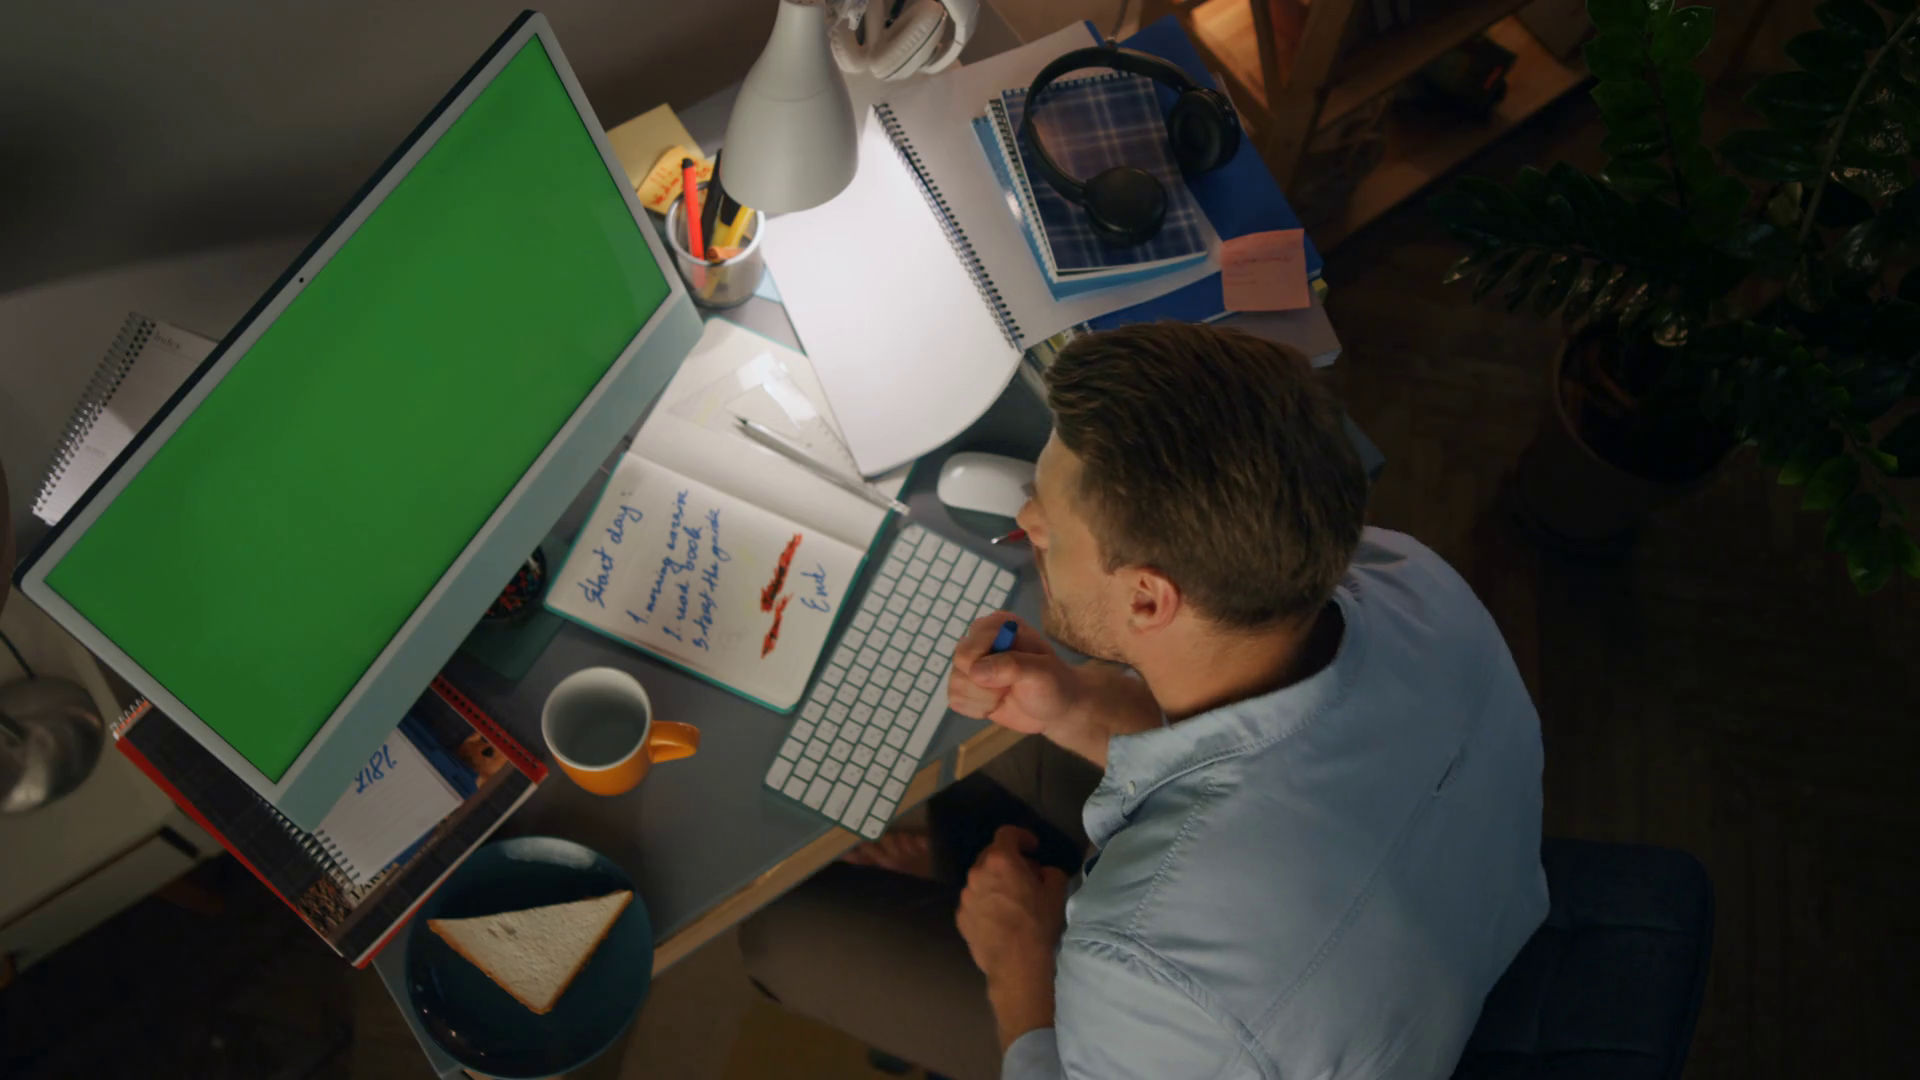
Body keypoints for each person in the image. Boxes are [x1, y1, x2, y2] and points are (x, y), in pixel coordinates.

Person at [742, 323, 1548, 1079]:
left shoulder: (1143, 959)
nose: (1025, 519)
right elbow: (1265, 741)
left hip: (1245, 1015)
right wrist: (1068, 703)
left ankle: (963, 899)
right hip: (1423, 905)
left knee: (782, 931)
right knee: (1006, 758)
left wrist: (1022, 962)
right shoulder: (1416, 580)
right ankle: (953, 866)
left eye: (1049, 523)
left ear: (1148, 601)